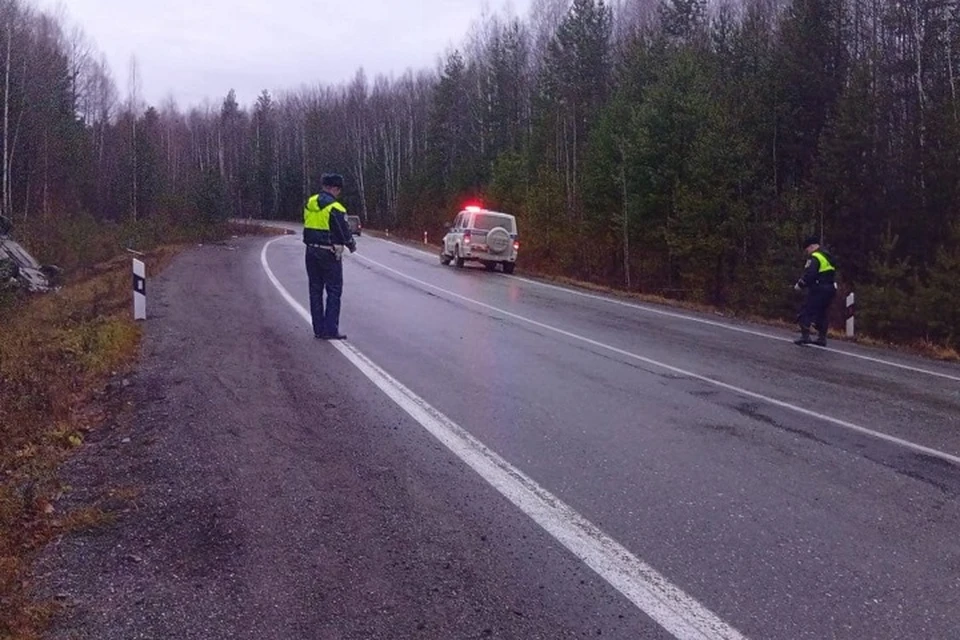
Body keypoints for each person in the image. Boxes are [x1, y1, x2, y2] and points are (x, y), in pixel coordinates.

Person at [303, 173, 356, 340]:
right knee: (334, 290)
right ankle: (331, 329)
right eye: (338, 190)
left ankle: (318, 329)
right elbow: (343, 231)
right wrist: (351, 244)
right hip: (329, 252)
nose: (338, 193)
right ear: (334, 188)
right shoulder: (336, 208)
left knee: (315, 289)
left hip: (310, 251)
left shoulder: (310, 203)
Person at [794, 235, 838, 346]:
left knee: (806, 310)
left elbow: (810, 274)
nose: (807, 251)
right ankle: (822, 338)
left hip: (818, 288)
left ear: (812, 246)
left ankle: (805, 336)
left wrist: (800, 284)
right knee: (822, 313)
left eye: (807, 248)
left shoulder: (815, 257)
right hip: (830, 288)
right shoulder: (827, 256)